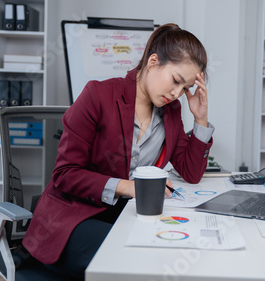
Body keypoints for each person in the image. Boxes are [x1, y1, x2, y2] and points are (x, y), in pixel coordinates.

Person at [22, 23, 214, 279]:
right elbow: (65, 174)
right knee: (140, 260)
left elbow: (190, 172)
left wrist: (200, 119)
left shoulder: (171, 111)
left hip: (123, 216)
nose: (177, 94)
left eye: (185, 88)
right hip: (71, 219)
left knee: (171, 251)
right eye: (176, 81)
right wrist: (130, 186)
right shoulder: (98, 95)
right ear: (153, 62)